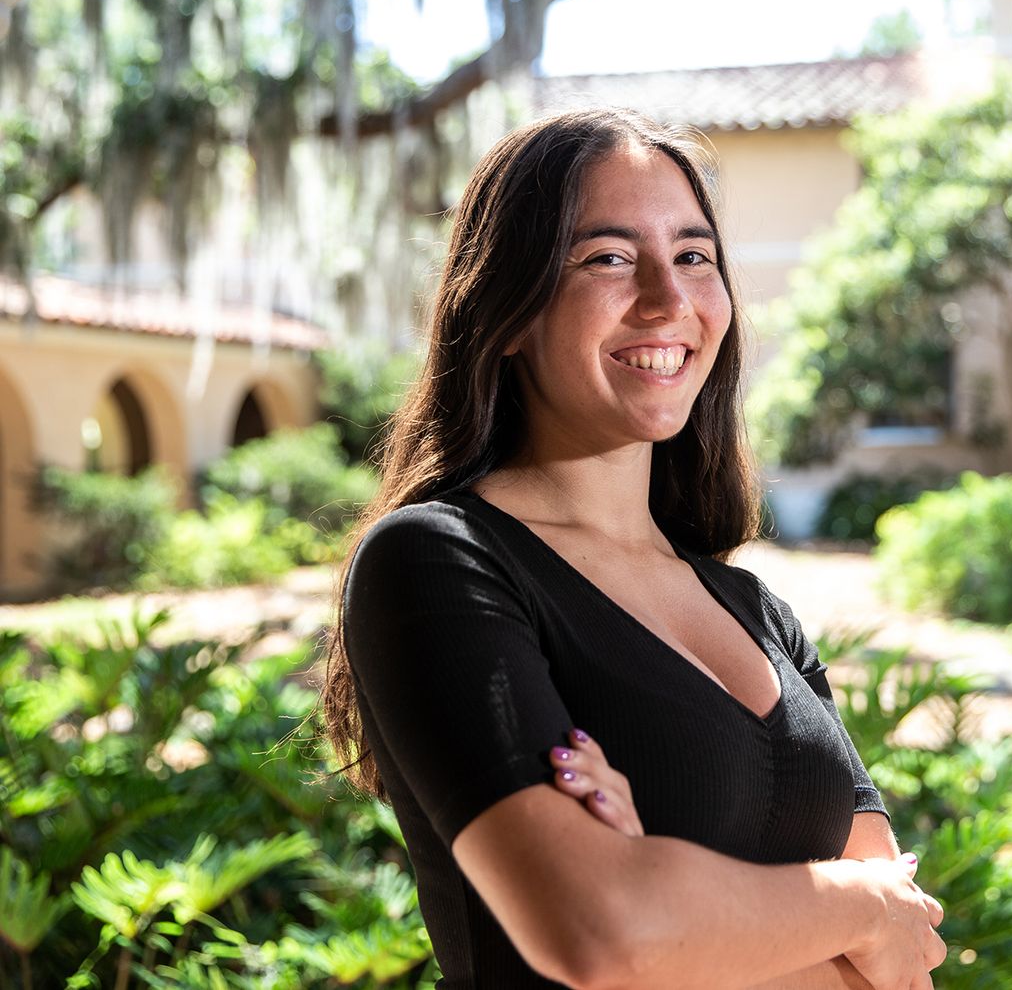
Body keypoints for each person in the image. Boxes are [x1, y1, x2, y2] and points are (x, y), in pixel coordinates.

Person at [321, 107, 947, 989]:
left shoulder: (756, 612)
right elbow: (601, 932)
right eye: (607, 258)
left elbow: (907, 965)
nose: (668, 299)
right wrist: (856, 909)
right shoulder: (438, 562)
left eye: (693, 256)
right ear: (505, 311)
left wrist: (668, 894)